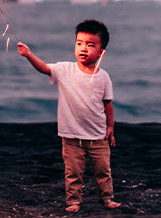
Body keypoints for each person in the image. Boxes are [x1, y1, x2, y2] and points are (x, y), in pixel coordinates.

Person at [17, 19, 121, 213]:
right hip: (71, 135)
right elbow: (44, 68)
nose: (83, 48)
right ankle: (74, 201)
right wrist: (29, 55)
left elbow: (108, 103)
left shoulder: (104, 77)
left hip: (98, 136)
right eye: (79, 43)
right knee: (73, 172)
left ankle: (107, 198)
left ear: (101, 52)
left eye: (90, 45)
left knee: (103, 170)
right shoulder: (65, 70)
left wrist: (111, 127)